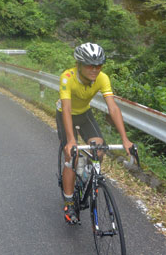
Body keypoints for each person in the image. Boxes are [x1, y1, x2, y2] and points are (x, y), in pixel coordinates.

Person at [58, 42, 134, 225]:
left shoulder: (102, 78)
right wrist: (71, 140)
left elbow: (113, 108)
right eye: (90, 65)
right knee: (72, 157)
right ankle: (69, 202)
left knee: (99, 150)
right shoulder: (67, 77)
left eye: (98, 65)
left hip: (85, 114)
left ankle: (86, 176)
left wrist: (125, 139)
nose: (94, 69)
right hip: (65, 115)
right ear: (79, 64)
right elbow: (66, 109)